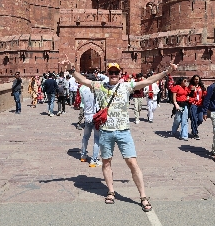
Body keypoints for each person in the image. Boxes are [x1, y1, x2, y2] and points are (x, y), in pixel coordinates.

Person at [60, 55, 178, 212]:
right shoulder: (99, 85)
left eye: (116, 73)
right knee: (106, 162)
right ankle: (110, 191)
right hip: (105, 132)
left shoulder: (126, 86)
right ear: (107, 73)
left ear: (120, 74)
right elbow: (83, 80)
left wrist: (167, 71)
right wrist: (70, 69)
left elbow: (148, 81)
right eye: (111, 73)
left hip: (123, 132)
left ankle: (143, 196)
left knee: (132, 163)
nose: (113, 75)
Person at [79, 74, 102, 167]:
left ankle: (83, 155)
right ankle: (94, 160)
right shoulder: (96, 89)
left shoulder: (82, 89)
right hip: (95, 116)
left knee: (85, 137)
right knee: (97, 139)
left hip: (87, 115)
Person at [188, 75, 207, 140]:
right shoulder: (191, 87)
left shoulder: (201, 87)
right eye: (195, 79)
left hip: (200, 105)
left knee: (200, 119)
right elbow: (188, 95)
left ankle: (194, 128)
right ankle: (195, 133)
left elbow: (205, 95)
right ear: (193, 80)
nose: (196, 80)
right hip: (193, 104)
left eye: (197, 79)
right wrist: (191, 91)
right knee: (194, 119)